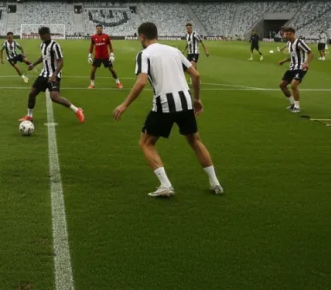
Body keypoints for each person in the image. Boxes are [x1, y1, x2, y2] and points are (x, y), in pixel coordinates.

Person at [112, 22, 223, 197]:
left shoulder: (144, 54)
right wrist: (197, 99)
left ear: (142, 37)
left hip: (164, 104)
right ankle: (215, 183)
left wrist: (124, 105)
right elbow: (196, 74)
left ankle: (165, 185)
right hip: (185, 101)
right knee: (195, 141)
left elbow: (141, 82)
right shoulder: (174, 51)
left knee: (146, 143)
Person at [19, 26, 85, 125]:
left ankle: (77, 110)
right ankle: (29, 116)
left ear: (48, 34)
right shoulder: (42, 45)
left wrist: (54, 75)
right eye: (41, 35)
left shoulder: (55, 45)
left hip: (54, 74)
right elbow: (43, 57)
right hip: (44, 74)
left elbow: (61, 62)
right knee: (32, 93)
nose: (42, 37)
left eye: (44, 35)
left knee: (54, 97)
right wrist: (33, 64)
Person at [278, 27, 312, 113]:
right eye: (286, 34)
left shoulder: (300, 42)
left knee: (293, 85)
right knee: (282, 85)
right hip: (292, 67)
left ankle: (297, 107)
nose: (287, 36)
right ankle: (292, 103)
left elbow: (310, 53)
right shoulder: (289, 43)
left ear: (293, 33)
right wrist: (284, 61)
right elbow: (293, 56)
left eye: (289, 34)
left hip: (301, 67)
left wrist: (307, 63)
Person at [88, 24, 122, 89]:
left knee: (112, 70)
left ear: (102, 29)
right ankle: (92, 84)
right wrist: (89, 55)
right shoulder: (93, 37)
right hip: (97, 57)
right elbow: (91, 46)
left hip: (106, 57)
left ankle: (118, 82)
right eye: (97, 28)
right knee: (93, 71)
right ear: (96, 29)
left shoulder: (106, 36)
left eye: (100, 28)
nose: (98, 29)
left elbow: (110, 45)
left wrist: (112, 54)